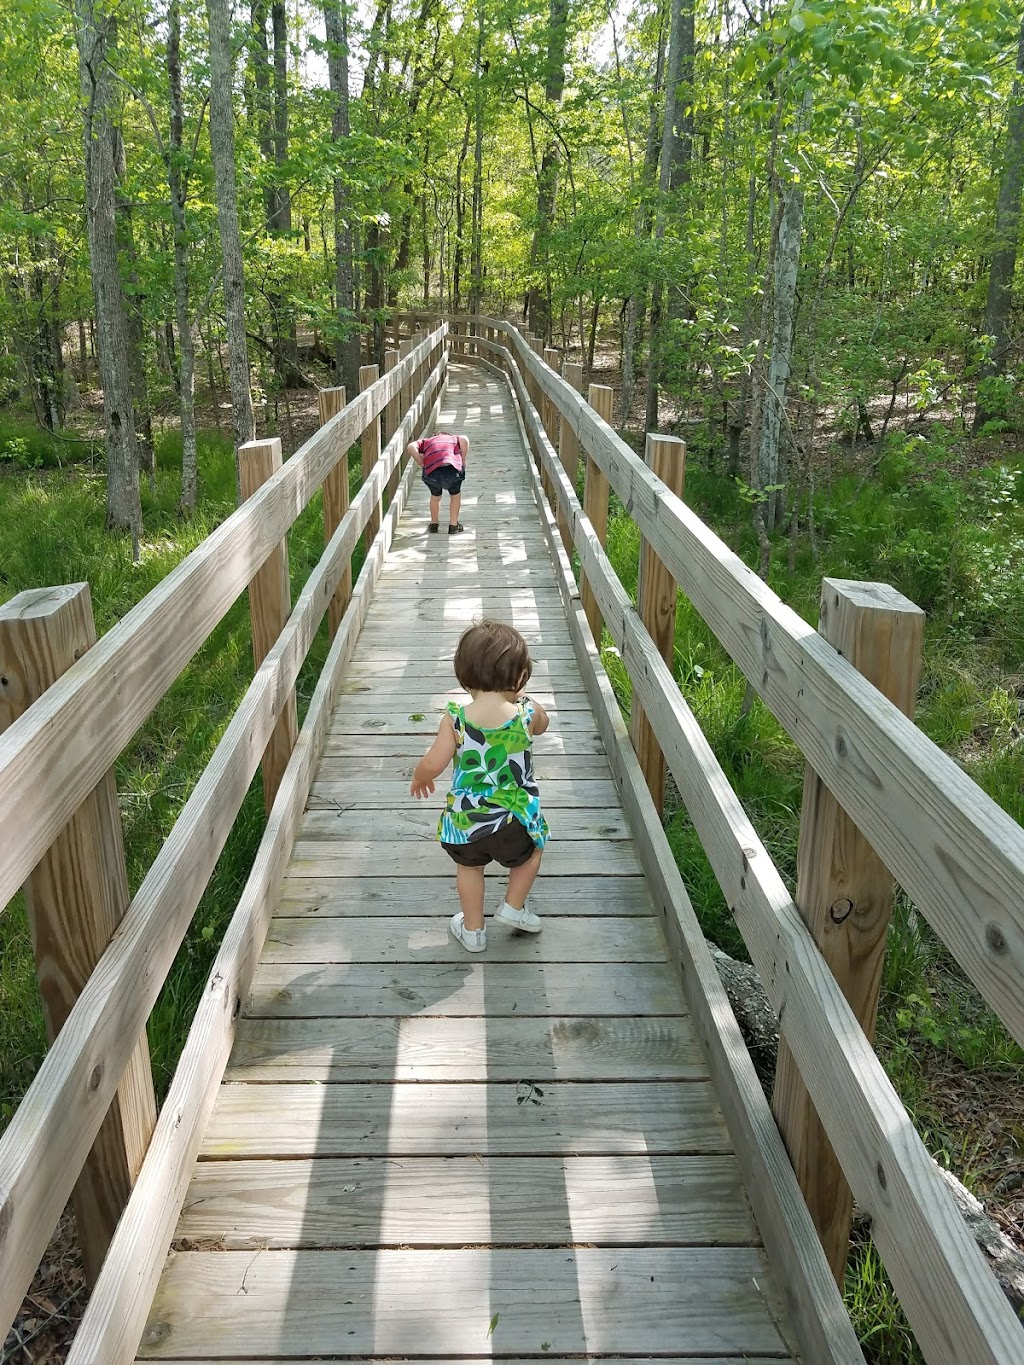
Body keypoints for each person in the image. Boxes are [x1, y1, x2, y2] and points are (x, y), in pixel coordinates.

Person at [409, 620, 550, 953]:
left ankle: (473, 930)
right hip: (514, 819)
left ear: (465, 675)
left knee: (469, 868)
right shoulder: (525, 713)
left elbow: (435, 761)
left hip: (468, 820)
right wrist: (525, 698)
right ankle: (514, 906)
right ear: (520, 676)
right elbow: (544, 724)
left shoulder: (456, 717)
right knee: (533, 852)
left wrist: (421, 776)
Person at [406, 430, 469, 534]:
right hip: (451, 470)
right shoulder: (454, 438)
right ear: (447, 435)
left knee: (435, 496)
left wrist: (421, 463)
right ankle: (453, 525)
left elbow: (411, 447)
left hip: (432, 472)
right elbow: (464, 439)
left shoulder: (426, 441)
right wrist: (463, 460)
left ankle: (434, 524)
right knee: (455, 495)